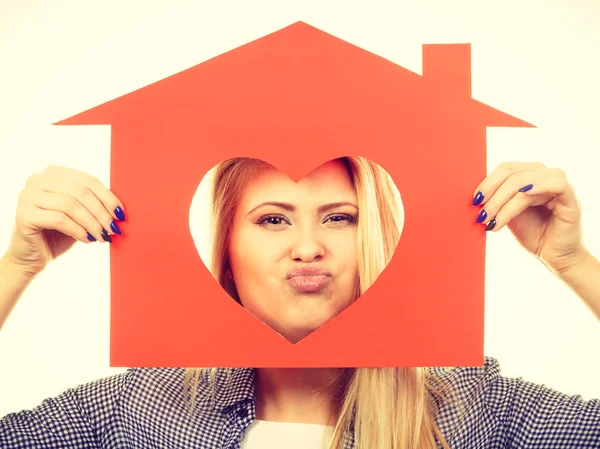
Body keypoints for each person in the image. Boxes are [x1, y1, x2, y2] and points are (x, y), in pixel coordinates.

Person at [0, 159, 598, 449]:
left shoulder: (471, 407)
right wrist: (17, 268)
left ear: (373, 243)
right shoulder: (140, 407)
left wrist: (574, 263)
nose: (307, 248)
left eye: (339, 218)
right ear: (227, 254)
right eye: (272, 220)